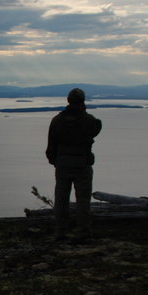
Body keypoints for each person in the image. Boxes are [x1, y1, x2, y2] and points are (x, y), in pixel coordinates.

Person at [45, 88, 102, 241]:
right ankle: (83, 231)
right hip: (82, 165)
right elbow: (97, 127)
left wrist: (55, 161)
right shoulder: (88, 120)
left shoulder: (57, 120)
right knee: (83, 199)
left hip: (62, 164)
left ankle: (60, 231)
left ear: (68, 100)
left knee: (61, 198)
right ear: (83, 101)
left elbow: (51, 146)